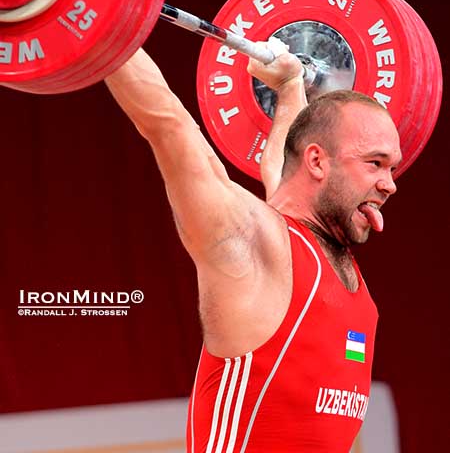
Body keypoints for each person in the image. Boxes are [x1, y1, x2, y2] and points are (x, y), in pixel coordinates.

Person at [105, 41, 401, 452]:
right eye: (375, 163)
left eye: (392, 168)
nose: (390, 184)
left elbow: (287, 168)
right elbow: (167, 123)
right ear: (318, 162)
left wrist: (290, 84)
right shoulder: (256, 249)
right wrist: (97, 22)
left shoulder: (321, 254)